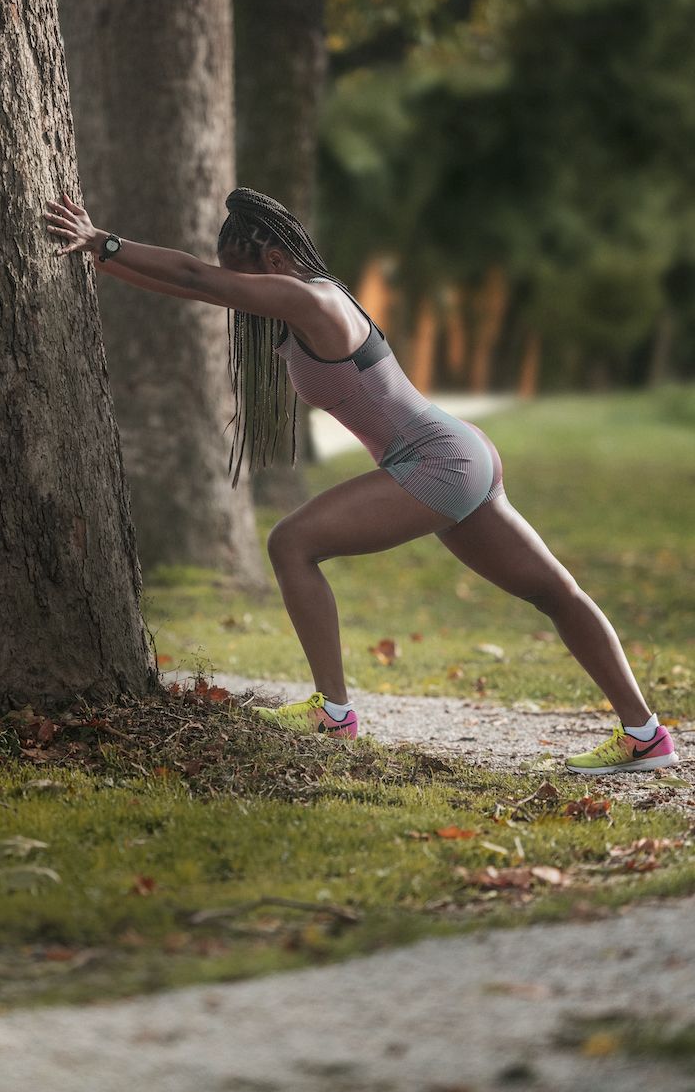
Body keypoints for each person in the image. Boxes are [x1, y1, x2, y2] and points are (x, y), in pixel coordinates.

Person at [44, 186, 679, 777]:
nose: (238, 284)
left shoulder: (312, 299)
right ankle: (645, 733)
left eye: (244, 270)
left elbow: (196, 277)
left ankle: (332, 712)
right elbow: (200, 288)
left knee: (291, 543)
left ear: (273, 256)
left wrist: (107, 241)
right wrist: (98, 259)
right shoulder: (306, 294)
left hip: (438, 460)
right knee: (553, 592)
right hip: (454, 454)